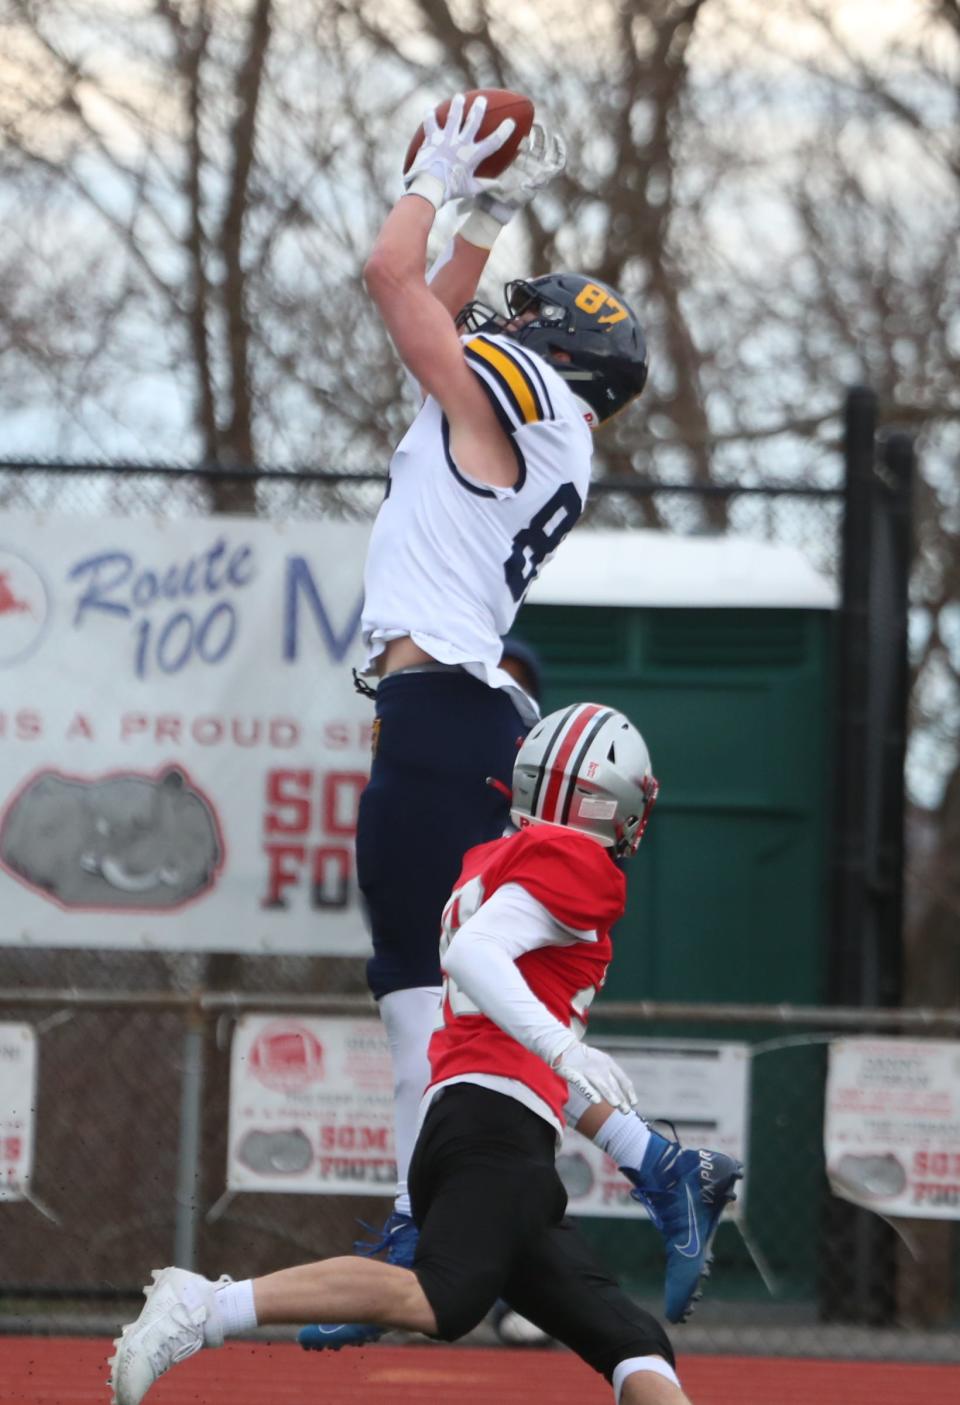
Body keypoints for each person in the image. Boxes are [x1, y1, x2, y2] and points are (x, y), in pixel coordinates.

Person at [297, 93, 734, 1349]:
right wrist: (484, 203)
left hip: (443, 711)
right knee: (434, 983)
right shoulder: (532, 418)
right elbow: (435, 293)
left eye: (522, 315)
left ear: (549, 349)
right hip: (452, 707)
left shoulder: (523, 400)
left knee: (424, 980)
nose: (499, 311)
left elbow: (394, 276)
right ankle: (608, 1182)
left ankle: (580, 1178)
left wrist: (438, 167)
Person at [110, 704, 739, 1405]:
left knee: (632, 1341)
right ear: (598, 795)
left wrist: (633, 1142)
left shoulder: (491, 861)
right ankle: (203, 1305)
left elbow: (505, 1016)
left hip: (486, 1124)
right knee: (445, 1297)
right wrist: (563, 1046)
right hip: (492, 1128)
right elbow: (479, 959)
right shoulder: (574, 858)